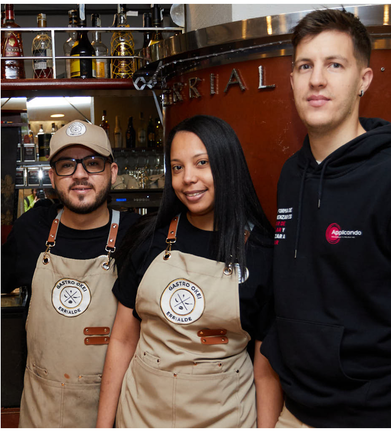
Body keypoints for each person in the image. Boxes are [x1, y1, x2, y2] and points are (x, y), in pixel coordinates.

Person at [260, 8, 391, 428]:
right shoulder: (292, 174)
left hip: (374, 416)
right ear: (291, 80)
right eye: (305, 66)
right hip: (295, 411)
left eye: (334, 65)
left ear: (364, 80)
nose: (317, 79)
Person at [97, 115, 281, 427]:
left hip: (224, 418)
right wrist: (103, 426)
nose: (187, 178)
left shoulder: (261, 253)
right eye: (178, 167)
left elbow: (265, 372)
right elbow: (123, 340)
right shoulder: (147, 240)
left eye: (201, 163)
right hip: (142, 415)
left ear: (227, 165)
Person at [1, 120, 139, 428]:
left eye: (92, 163)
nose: (79, 174)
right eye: (66, 165)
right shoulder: (31, 231)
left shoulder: (137, 237)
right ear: (53, 177)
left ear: (112, 172)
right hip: (42, 411)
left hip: (115, 411)